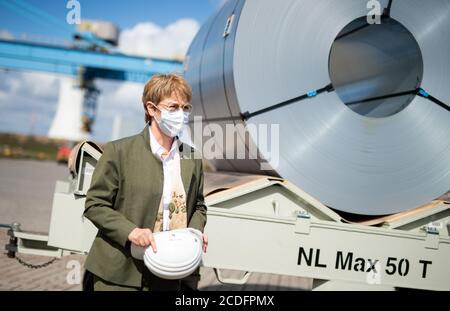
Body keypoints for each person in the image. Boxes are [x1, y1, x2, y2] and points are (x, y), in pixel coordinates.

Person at [82, 73, 208, 291]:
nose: (181, 114)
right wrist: (131, 232)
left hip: (169, 272)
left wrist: (195, 231)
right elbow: (95, 205)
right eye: (173, 107)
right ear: (151, 109)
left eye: (185, 108)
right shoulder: (118, 152)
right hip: (119, 273)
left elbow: (198, 205)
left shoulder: (192, 157)